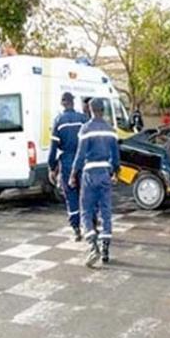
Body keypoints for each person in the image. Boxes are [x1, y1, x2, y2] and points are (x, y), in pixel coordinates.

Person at [70, 98, 120, 268]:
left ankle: (93, 246)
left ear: (90, 109)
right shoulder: (111, 130)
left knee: (86, 210)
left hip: (90, 173)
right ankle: (106, 249)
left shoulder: (86, 129)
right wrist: (115, 172)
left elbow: (80, 154)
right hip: (105, 173)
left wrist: (72, 174)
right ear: (103, 110)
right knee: (105, 211)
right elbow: (116, 156)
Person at [48, 92, 88, 241]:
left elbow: (53, 149)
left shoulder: (58, 121)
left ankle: (76, 229)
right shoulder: (83, 119)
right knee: (85, 195)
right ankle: (90, 225)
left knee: (71, 196)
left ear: (62, 103)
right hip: (83, 162)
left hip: (67, 163)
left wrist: (52, 167)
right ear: (73, 102)